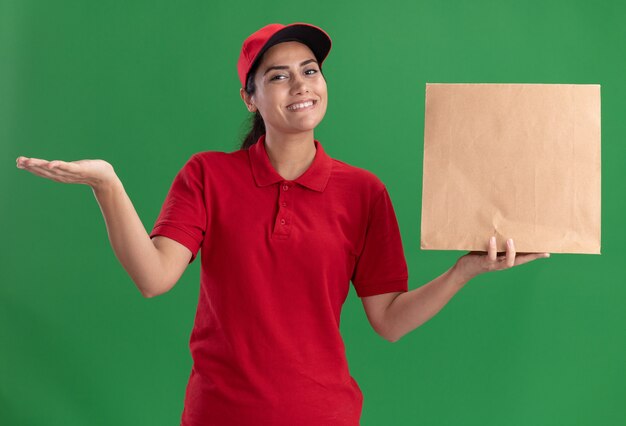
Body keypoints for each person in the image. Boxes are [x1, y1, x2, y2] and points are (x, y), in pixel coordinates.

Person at [15, 22, 550, 426]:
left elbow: (387, 320)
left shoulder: (363, 193)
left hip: (326, 415)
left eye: (310, 70)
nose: (300, 84)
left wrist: (462, 272)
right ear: (250, 97)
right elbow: (154, 278)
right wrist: (108, 185)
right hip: (219, 415)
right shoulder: (208, 175)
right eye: (278, 75)